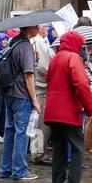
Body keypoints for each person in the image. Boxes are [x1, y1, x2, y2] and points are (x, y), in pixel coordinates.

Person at [43, 30, 92, 183]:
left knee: (59, 148)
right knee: (78, 148)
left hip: (53, 111)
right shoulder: (73, 58)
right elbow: (81, 84)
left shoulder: (56, 58)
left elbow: (48, 78)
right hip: (68, 110)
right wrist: (90, 108)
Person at [0, 24, 40, 181]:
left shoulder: (14, 42)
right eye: (36, 26)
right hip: (21, 94)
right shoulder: (25, 46)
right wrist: (34, 99)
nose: (39, 28)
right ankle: (20, 170)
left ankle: (5, 168)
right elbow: (29, 75)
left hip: (8, 93)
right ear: (29, 28)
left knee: (9, 131)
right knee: (21, 133)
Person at [29, 26, 55, 166]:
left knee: (38, 123)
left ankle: (37, 151)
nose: (48, 29)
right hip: (41, 87)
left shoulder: (38, 41)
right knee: (41, 123)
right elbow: (44, 67)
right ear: (39, 28)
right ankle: (37, 153)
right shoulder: (38, 41)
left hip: (38, 86)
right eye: (45, 26)